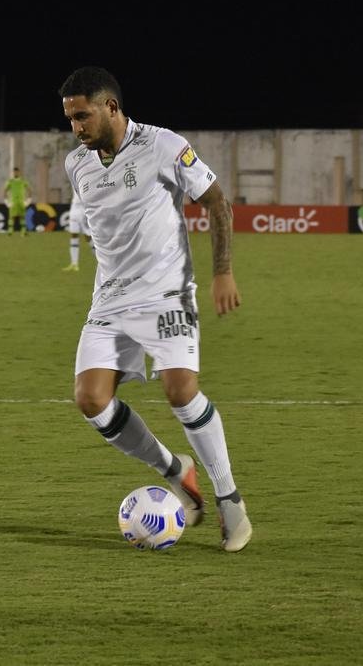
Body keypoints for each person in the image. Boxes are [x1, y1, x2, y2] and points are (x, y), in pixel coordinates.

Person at [59, 66, 251, 552]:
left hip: (167, 293)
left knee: (181, 391)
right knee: (91, 400)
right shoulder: (76, 164)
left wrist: (222, 271)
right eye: (70, 118)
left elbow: (218, 203)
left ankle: (230, 500)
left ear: (111, 108)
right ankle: (175, 470)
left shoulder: (164, 145)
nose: (76, 127)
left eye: (82, 116)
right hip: (110, 299)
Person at [62, 190, 91, 271]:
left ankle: (101, 261)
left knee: (88, 237)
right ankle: (74, 263)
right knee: (74, 235)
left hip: (83, 208)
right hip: (74, 209)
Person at [3, 167, 30, 235]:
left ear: (19, 172)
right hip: (13, 202)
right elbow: (5, 190)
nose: (16, 173)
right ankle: (10, 231)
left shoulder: (23, 181)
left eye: (17, 172)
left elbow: (29, 189)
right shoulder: (10, 181)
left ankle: (23, 231)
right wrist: (6, 200)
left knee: (22, 216)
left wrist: (28, 200)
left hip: (21, 201)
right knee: (11, 217)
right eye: (14, 172)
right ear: (13, 172)